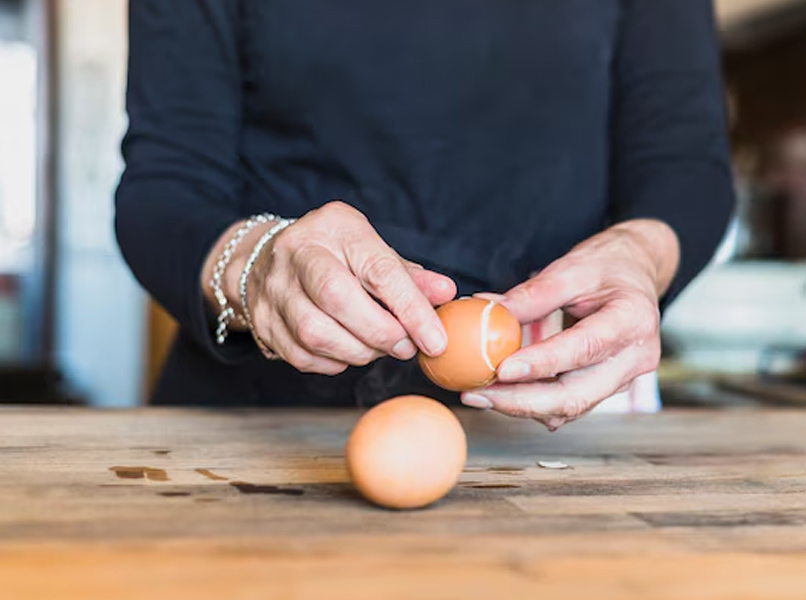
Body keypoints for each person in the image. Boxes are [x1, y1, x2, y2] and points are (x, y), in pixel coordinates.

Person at [114, 0, 735, 430]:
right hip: (261, 426)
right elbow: (165, 185)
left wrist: (639, 253)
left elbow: (685, 165)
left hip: (559, 429)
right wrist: (257, 267)